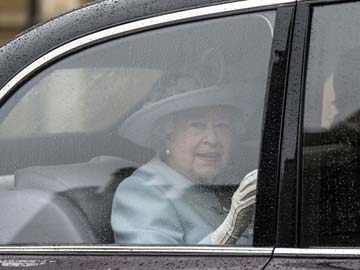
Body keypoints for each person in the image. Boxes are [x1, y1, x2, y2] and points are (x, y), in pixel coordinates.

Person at [111, 76, 258, 245]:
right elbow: (157, 265)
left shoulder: (229, 180)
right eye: (197, 125)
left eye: (222, 125)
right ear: (166, 134)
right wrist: (229, 231)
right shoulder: (141, 191)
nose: (212, 139)